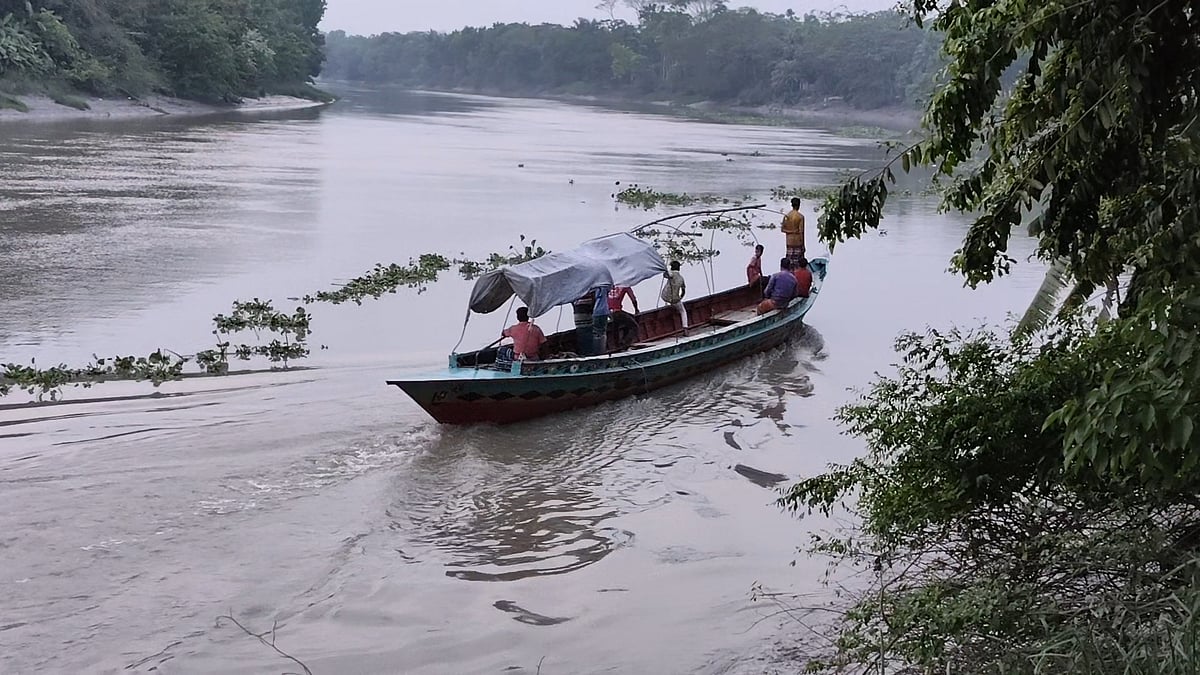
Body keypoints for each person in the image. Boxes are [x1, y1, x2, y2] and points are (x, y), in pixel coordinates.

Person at [608, 285, 640, 351]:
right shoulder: (625, 285)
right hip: (617, 312)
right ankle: (625, 343)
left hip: (608, 312)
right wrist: (636, 309)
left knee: (616, 327)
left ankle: (617, 345)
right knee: (634, 326)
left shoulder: (609, 285)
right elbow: (633, 299)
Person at [661, 260, 688, 331]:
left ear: (671, 268)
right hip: (675, 299)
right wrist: (680, 298)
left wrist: (665, 269)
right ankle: (685, 328)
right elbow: (683, 291)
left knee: (667, 298)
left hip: (665, 297)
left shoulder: (671, 274)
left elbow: (665, 275)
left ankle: (668, 304)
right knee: (683, 311)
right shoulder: (681, 278)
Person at [781, 197, 806, 266]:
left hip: (789, 242)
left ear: (791, 205)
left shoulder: (787, 216)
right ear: (799, 205)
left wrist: (791, 231)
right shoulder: (800, 217)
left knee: (789, 262)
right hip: (798, 242)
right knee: (798, 263)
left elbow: (782, 229)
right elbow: (801, 232)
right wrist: (803, 245)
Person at [592, 284, 612, 355]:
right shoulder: (605, 288)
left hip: (595, 312)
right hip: (604, 312)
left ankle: (596, 351)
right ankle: (601, 351)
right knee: (602, 332)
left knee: (596, 332)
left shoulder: (595, 289)